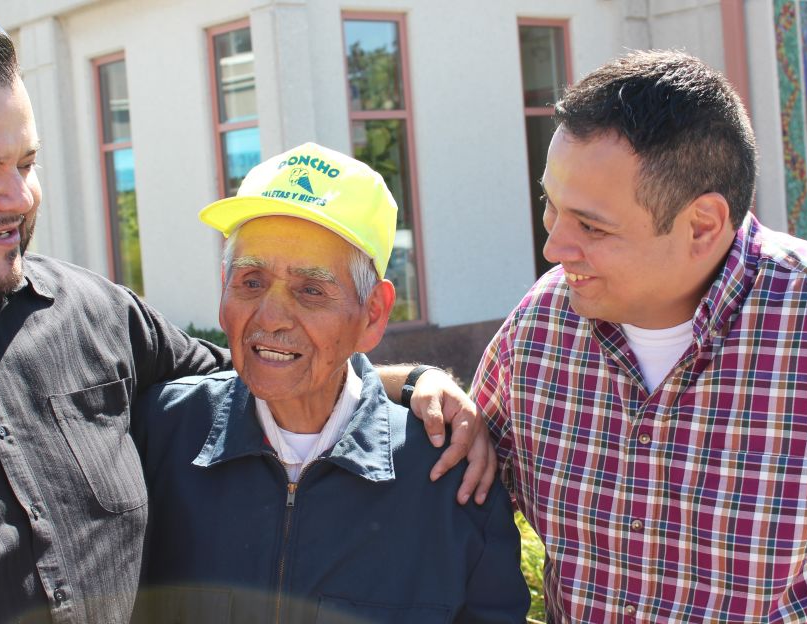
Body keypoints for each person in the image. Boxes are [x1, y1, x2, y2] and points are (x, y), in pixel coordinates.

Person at [0, 11, 489, 623]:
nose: (18, 198)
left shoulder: (94, 317)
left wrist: (411, 384)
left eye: (27, 163)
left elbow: (266, 372)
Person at [473, 49, 807, 622]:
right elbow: (445, 487)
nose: (554, 249)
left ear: (703, 225)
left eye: (590, 225)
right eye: (550, 206)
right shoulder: (538, 330)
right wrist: (418, 383)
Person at [133, 142, 530, 623]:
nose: (271, 317)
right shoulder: (158, 437)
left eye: (311, 290)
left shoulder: (450, 480)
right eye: (251, 281)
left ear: (373, 314)